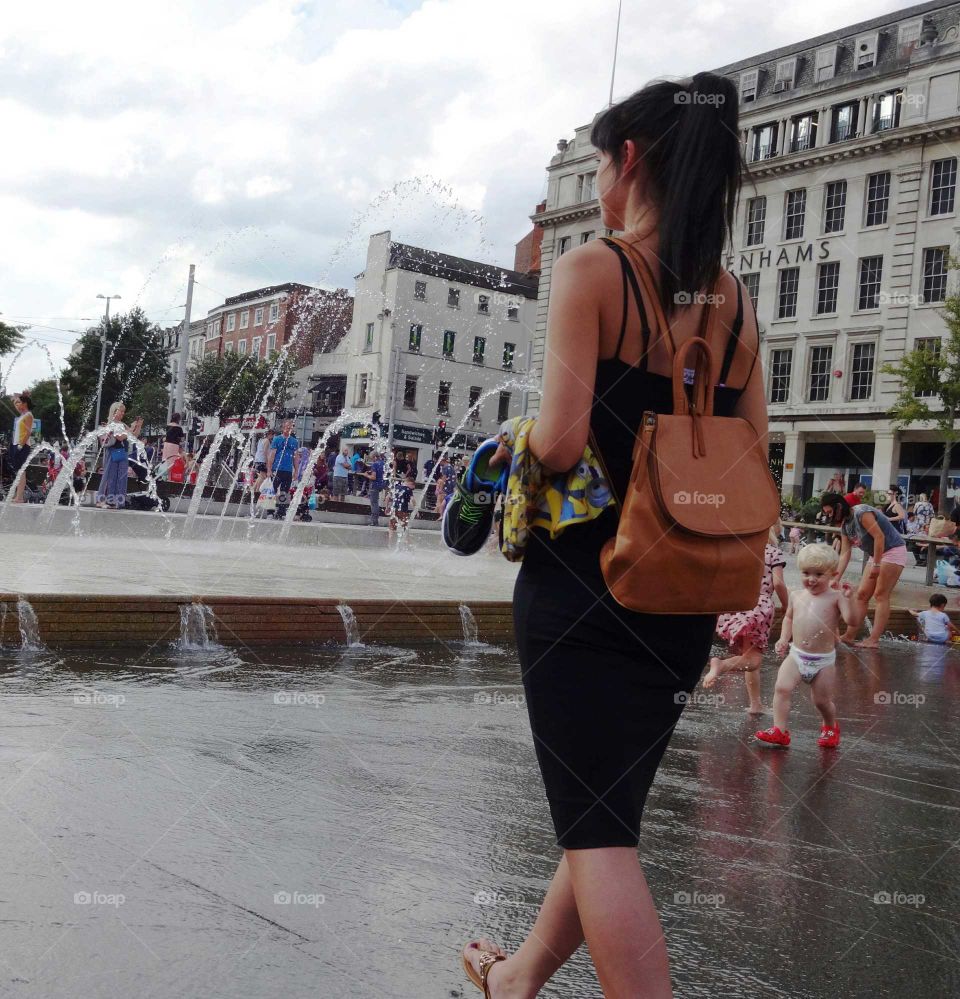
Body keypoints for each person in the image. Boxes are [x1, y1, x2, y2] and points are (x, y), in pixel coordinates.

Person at [461, 73, 768, 998]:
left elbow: (556, 439)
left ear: (629, 160)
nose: (596, 181)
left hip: (586, 590)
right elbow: (751, 449)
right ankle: (517, 978)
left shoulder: (594, 269)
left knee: (597, 838)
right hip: (680, 598)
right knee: (603, 813)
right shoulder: (736, 302)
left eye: (599, 161)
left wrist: (505, 445)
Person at [755, 543, 854, 749]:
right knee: (781, 688)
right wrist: (783, 638)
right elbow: (789, 618)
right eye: (806, 573)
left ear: (833, 575)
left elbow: (852, 620)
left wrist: (848, 599)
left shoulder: (835, 597)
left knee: (821, 701)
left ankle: (829, 726)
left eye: (818, 574)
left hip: (823, 661)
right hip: (797, 655)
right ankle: (779, 730)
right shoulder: (796, 595)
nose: (811, 579)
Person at [703, 526, 789, 714]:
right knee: (754, 660)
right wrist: (787, 605)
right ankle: (721, 665)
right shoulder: (773, 552)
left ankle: (755, 704)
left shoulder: (740, 551)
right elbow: (778, 583)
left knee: (748, 657)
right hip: (758, 609)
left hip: (737, 606)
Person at [820, 491, 907, 648]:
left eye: (830, 512)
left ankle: (873, 640)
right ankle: (849, 635)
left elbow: (879, 537)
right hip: (877, 555)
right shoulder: (846, 525)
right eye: (827, 513)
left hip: (893, 550)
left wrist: (877, 565)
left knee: (881, 594)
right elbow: (845, 553)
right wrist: (836, 578)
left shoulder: (861, 513)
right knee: (861, 594)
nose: (829, 516)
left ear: (838, 507)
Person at [96, 401, 142, 509]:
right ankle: (101, 500)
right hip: (112, 452)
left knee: (121, 477)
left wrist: (138, 426)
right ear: (114, 411)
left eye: (123, 412)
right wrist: (130, 429)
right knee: (109, 476)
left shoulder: (122, 424)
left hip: (122, 453)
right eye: (120, 411)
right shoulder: (111, 423)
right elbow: (120, 437)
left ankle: (116, 501)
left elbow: (133, 436)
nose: (122, 413)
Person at [266, 420, 300, 514]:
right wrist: (269, 469)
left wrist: (296, 471)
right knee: (272, 490)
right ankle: (270, 511)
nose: (289, 429)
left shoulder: (294, 441)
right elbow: (271, 455)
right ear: (283, 428)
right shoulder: (277, 439)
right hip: (276, 469)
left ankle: (281, 511)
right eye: (287, 427)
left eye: (290, 427)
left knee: (285, 491)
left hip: (288, 470)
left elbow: (295, 457)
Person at [7, 392, 34, 503]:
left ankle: (20, 497)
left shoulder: (28, 415)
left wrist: (20, 445)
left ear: (25, 403)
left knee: (21, 471)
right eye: (15, 403)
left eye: (18, 402)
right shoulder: (21, 415)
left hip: (22, 445)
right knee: (18, 471)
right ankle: (18, 495)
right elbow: (18, 406)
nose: (17, 405)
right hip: (15, 444)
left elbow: (28, 432)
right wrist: (15, 399)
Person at [361, 449, 385, 526]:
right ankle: (375, 520)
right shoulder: (382, 463)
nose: (371, 460)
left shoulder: (375, 464)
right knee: (376, 503)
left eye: (371, 458)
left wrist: (366, 475)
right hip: (381, 484)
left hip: (374, 485)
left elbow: (374, 477)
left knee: (374, 503)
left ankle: (374, 521)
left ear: (374, 457)